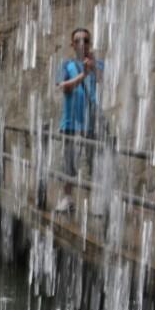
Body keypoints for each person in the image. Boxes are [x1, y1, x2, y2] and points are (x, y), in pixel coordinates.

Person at [54, 27, 104, 213]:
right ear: (72, 44)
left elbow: (103, 80)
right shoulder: (66, 64)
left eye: (85, 40)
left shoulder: (97, 64)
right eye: (78, 40)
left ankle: (97, 203)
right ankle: (67, 199)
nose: (82, 43)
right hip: (70, 123)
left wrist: (92, 67)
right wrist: (83, 73)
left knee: (94, 162)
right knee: (69, 163)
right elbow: (63, 87)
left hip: (91, 123)